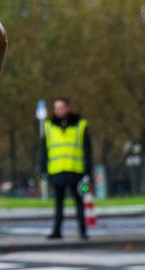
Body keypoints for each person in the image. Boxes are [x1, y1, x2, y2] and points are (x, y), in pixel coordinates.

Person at [41, 96, 92, 240]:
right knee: (58, 203)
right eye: (56, 108)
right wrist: (43, 170)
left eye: (61, 107)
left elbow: (87, 150)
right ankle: (57, 231)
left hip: (76, 170)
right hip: (56, 171)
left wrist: (87, 172)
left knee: (79, 202)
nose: (59, 111)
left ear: (68, 108)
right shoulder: (49, 126)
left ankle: (83, 231)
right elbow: (44, 150)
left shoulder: (80, 125)